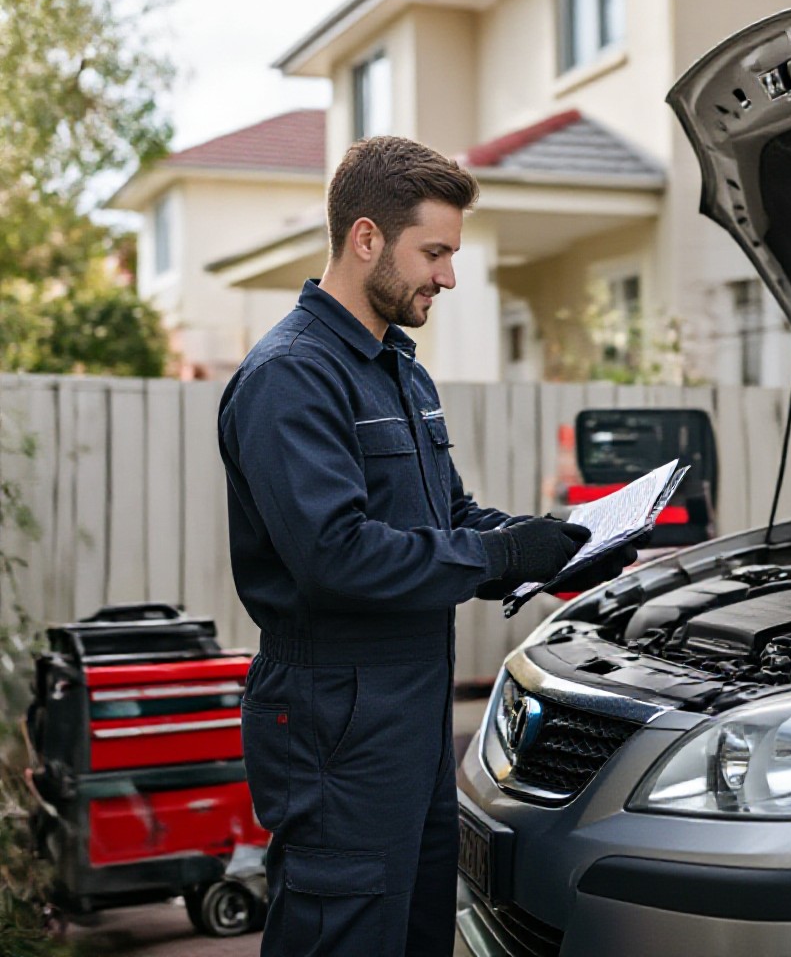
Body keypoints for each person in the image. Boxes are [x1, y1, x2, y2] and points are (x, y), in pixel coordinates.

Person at [217, 136, 637, 957]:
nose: (447, 275)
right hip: (334, 713)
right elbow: (337, 555)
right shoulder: (291, 376)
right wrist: (506, 558)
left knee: (413, 934)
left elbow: (451, 521)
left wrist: (564, 547)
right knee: (342, 932)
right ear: (366, 238)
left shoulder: (400, 372)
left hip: (411, 712)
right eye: (435, 252)